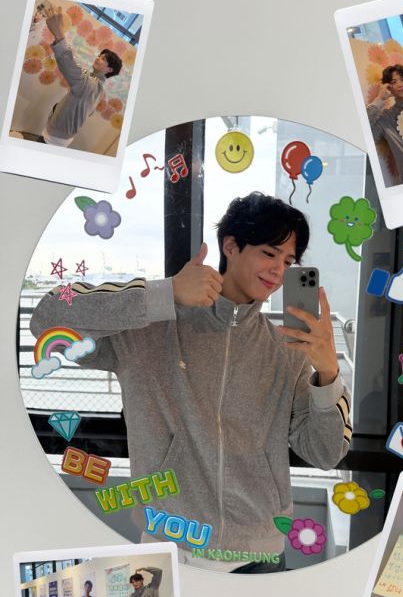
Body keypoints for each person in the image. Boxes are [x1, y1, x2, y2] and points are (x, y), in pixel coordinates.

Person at [30, 193, 352, 573]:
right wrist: (165, 294)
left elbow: (325, 453)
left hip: (259, 555)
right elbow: (46, 319)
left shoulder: (287, 351)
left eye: (288, 261)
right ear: (230, 246)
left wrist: (328, 374)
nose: (278, 271)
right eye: (269, 253)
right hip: (169, 550)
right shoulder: (148, 331)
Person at [31, 4, 122, 147]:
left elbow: (70, 66)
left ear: (109, 69)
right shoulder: (96, 85)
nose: (98, 58)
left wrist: (59, 34)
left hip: (54, 139)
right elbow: (75, 67)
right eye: (100, 56)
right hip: (58, 133)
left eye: (104, 59)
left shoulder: (92, 85)